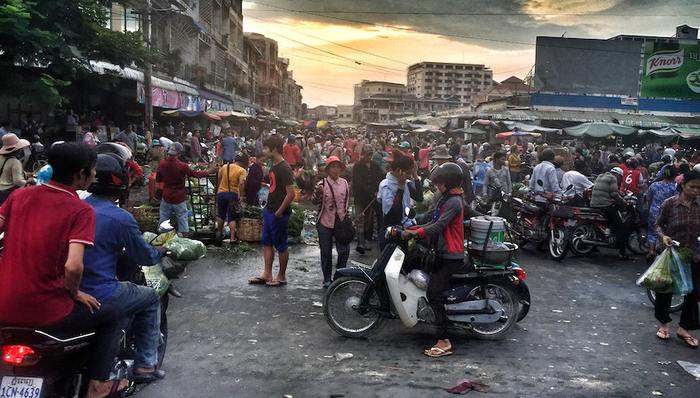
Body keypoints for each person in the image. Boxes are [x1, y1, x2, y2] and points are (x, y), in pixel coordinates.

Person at [0, 143, 132, 397]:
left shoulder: (19, 196)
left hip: (5, 305)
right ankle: (98, 383)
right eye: (92, 171)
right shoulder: (80, 210)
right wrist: (74, 293)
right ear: (80, 174)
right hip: (48, 311)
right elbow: (74, 266)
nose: (94, 176)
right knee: (115, 311)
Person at [82, 153, 166, 383]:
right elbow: (145, 256)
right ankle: (146, 366)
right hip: (99, 291)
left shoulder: (76, 207)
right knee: (149, 297)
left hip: (68, 290)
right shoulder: (120, 218)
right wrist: (160, 250)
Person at [403, 162, 465, 358]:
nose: (437, 186)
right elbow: (432, 220)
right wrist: (413, 228)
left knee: (433, 292)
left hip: (451, 255)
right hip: (441, 251)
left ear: (449, 182)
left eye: (440, 183)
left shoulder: (454, 202)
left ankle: (444, 340)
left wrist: (417, 232)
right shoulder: (446, 198)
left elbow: (439, 226)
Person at [654, 170, 700, 348]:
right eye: (692, 187)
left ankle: (684, 329)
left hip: (694, 253)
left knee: (694, 291)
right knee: (665, 289)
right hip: (672, 252)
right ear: (682, 185)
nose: (696, 191)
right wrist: (663, 237)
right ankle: (664, 325)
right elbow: (658, 224)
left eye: (699, 188)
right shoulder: (670, 204)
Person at [249, 136, 295, 287]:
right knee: (267, 242)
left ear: (274, 149)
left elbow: (291, 194)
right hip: (269, 210)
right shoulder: (274, 166)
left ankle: (281, 276)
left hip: (279, 213)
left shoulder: (285, 168)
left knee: (281, 245)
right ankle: (267, 274)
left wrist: (279, 211)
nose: (263, 151)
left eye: (266, 148)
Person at [156, 142, 215, 234]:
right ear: (179, 154)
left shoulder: (162, 164)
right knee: (182, 218)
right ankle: (183, 236)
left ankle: (162, 237)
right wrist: (208, 171)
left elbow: (158, 179)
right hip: (179, 197)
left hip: (166, 195)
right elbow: (194, 174)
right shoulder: (182, 166)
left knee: (164, 218)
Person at [312, 156, 351, 288]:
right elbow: (314, 201)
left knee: (344, 250)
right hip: (325, 222)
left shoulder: (344, 183)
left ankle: (339, 276)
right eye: (333, 167)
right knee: (326, 252)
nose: (336, 170)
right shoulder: (321, 184)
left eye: (338, 167)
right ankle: (327, 278)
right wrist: (319, 193)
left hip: (341, 222)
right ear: (328, 170)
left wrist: (347, 217)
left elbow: (346, 202)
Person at [377, 154, 416, 250]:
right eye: (407, 173)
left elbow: (419, 197)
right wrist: (400, 189)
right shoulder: (386, 185)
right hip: (392, 232)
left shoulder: (406, 182)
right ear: (399, 170)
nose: (408, 176)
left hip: (405, 228)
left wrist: (415, 176)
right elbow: (392, 213)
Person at [590, 167, 630, 260]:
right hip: (604, 205)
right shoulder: (613, 178)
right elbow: (614, 194)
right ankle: (622, 252)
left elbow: (609, 191)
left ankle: (596, 244)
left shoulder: (600, 176)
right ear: (618, 175)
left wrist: (620, 193)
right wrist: (623, 201)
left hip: (593, 204)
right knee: (621, 226)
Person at [352, 144, 384, 254]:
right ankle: (360, 243)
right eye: (367, 155)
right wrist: (370, 192)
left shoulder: (375, 166)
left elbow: (381, 178)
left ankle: (367, 240)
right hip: (360, 197)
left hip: (371, 198)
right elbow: (358, 182)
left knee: (369, 220)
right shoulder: (358, 166)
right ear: (363, 154)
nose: (368, 157)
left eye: (370, 155)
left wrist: (378, 190)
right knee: (360, 218)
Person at [646, 166, 678, 261]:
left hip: (653, 211)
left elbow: (648, 199)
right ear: (674, 176)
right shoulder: (674, 187)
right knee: (663, 232)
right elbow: (675, 202)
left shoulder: (654, 185)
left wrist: (649, 209)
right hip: (666, 214)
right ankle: (661, 251)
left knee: (652, 231)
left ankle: (651, 250)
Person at [216, 153, 248, 243]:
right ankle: (232, 238)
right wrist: (241, 196)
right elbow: (241, 183)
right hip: (232, 194)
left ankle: (219, 233)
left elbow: (219, 179)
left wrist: (219, 190)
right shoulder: (242, 170)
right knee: (232, 216)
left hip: (221, 193)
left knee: (221, 214)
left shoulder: (224, 167)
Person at [0, 133, 33, 205]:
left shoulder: (1, 158)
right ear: (17, 150)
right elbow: (17, 181)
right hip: (8, 193)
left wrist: (25, 174)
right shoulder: (15, 162)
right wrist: (29, 181)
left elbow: (6, 172)